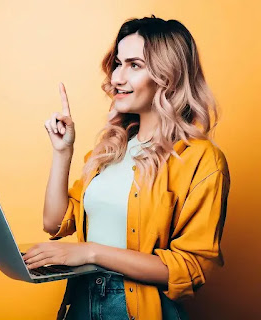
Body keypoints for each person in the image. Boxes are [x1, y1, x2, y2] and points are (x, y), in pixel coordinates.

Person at [21, 14, 231, 320]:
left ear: (167, 75)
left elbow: (191, 268)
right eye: (118, 63)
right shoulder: (109, 149)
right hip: (81, 301)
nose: (117, 77)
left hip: (135, 309)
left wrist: (91, 252)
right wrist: (62, 152)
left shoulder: (201, 159)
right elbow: (54, 223)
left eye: (134, 65)